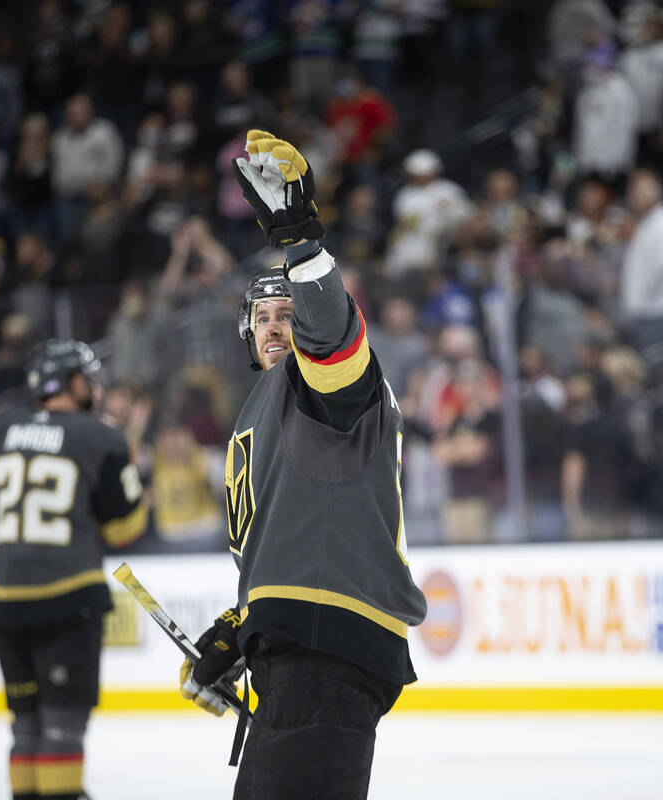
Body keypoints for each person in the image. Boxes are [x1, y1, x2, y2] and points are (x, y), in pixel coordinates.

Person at [178, 130, 427, 799]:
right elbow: (286, 536)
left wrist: (302, 243)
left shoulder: (328, 380)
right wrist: (240, 631)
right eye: (263, 316)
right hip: (299, 643)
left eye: (289, 313)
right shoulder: (264, 409)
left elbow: (335, 341)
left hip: (331, 640)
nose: (275, 326)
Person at [0, 340, 147, 800]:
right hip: (67, 598)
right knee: (61, 731)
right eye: (90, 379)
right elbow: (123, 529)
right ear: (74, 384)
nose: (96, 388)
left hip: (2, 601)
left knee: (24, 729)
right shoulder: (100, 436)